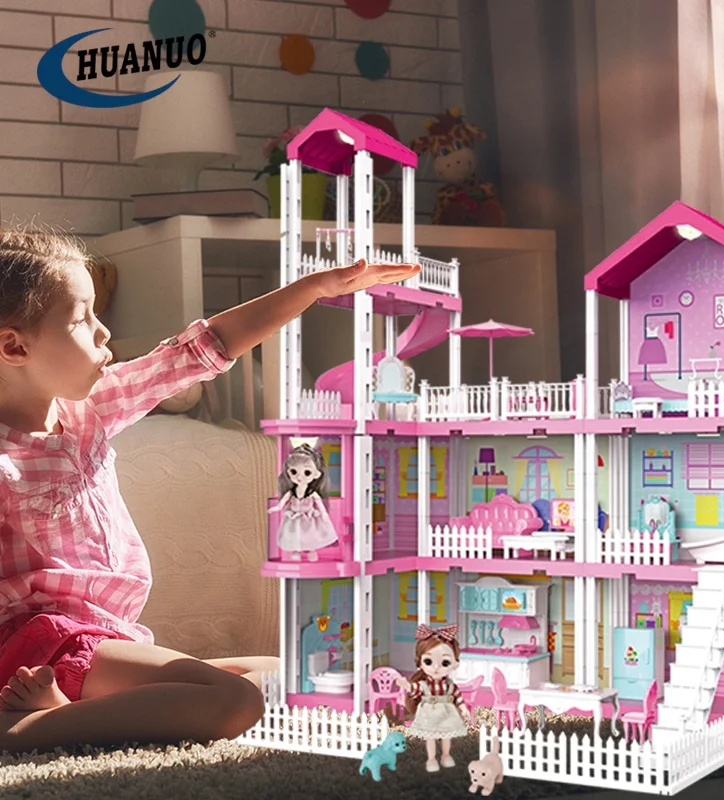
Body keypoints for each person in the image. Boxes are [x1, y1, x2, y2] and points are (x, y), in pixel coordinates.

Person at [0, 225, 419, 754]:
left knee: (293, 677)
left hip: (109, 636)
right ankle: (27, 728)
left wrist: (313, 288)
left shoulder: (91, 412)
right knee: (236, 701)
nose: (103, 332)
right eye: (82, 318)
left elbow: (206, 346)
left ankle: (70, 711)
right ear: (14, 346)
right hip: (39, 646)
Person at [397, 623, 470, 772]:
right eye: (428, 662)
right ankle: (431, 759)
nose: (436, 668)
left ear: (455, 664)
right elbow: (415, 689)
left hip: (447, 712)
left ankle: (446, 755)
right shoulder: (424, 685)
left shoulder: (450, 685)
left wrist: (463, 708)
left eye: (445, 662)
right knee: (430, 737)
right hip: (428, 713)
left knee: (446, 736)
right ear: (420, 662)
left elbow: (457, 696)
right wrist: (407, 686)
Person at [270, 444, 338, 561]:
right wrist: (277, 507)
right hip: (294, 517)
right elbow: (283, 502)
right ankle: (296, 551)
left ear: (316, 474)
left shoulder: (311, 493)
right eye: (294, 471)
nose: (299, 477)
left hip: (308, 517)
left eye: (307, 472)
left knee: (310, 535)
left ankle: (311, 551)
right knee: (294, 535)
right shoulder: (292, 492)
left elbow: (319, 504)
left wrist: (324, 514)